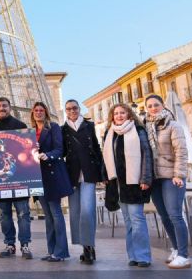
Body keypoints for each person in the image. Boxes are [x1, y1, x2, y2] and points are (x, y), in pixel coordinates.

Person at [102, 103, 153, 267]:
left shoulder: (138, 131)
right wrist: (105, 176)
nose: (119, 116)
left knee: (137, 219)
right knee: (128, 221)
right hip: (117, 184)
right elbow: (105, 158)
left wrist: (145, 178)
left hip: (135, 183)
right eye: (116, 113)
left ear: (129, 114)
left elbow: (147, 155)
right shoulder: (110, 134)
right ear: (112, 117)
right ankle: (133, 256)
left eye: (122, 112)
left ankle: (143, 256)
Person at [144, 94, 190, 269]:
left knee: (175, 215)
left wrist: (179, 174)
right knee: (164, 216)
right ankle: (176, 249)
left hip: (172, 176)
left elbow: (181, 151)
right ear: (146, 108)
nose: (153, 108)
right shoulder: (146, 127)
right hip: (155, 178)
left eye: (156, 104)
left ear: (163, 105)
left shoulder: (173, 125)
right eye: (150, 106)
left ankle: (184, 255)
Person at [0, 97, 32, 259]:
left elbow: (27, 152)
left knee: (23, 213)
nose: (1, 108)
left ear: (9, 108)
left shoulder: (21, 126)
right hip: (1, 181)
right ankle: (10, 245)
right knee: (4, 214)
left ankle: (25, 245)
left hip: (19, 179)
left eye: (4, 105)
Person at [61, 99, 104, 264]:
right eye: (69, 109)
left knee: (87, 211)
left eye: (74, 108)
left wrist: (102, 173)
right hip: (71, 174)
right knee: (75, 212)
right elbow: (62, 151)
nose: (72, 111)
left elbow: (96, 148)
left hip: (89, 173)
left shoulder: (89, 126)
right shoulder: (62, 129)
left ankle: (88, 247)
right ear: (65, 111)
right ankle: (83, 245)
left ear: (79, 109)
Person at [31, 102, 73, 262]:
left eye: (42, 110)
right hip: (36, 176)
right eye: (36, 110)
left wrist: (47, 155)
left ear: (46, 113)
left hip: (52, 174)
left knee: (55, 213)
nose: (39, 112)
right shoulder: (30, 131)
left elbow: (59, 149)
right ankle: (51, 250)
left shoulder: (53, 127)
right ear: (33, 113)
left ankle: (61, 252)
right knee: (47, 215)